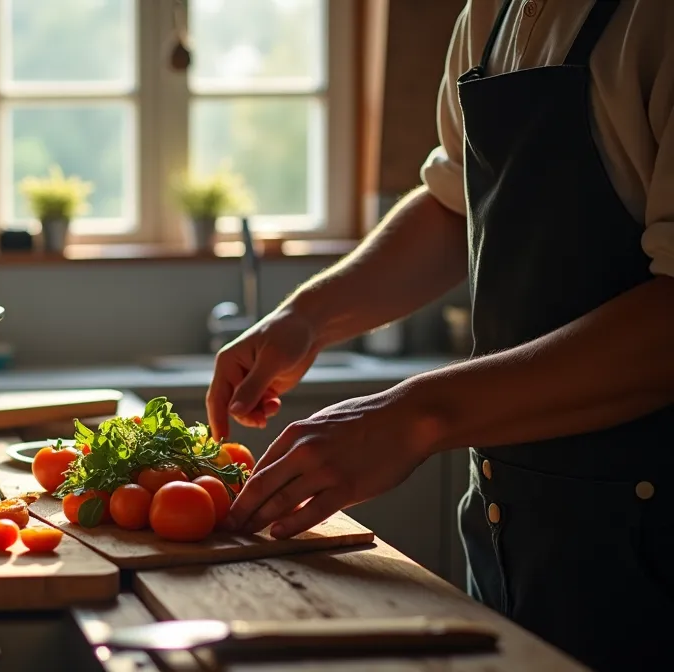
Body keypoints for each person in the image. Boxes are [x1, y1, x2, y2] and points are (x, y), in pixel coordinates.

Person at [207, 1, 674, 669]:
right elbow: (455, 204)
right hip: (510, 517)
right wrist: (309, 314)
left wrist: (417, 415)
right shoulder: (492, 12)